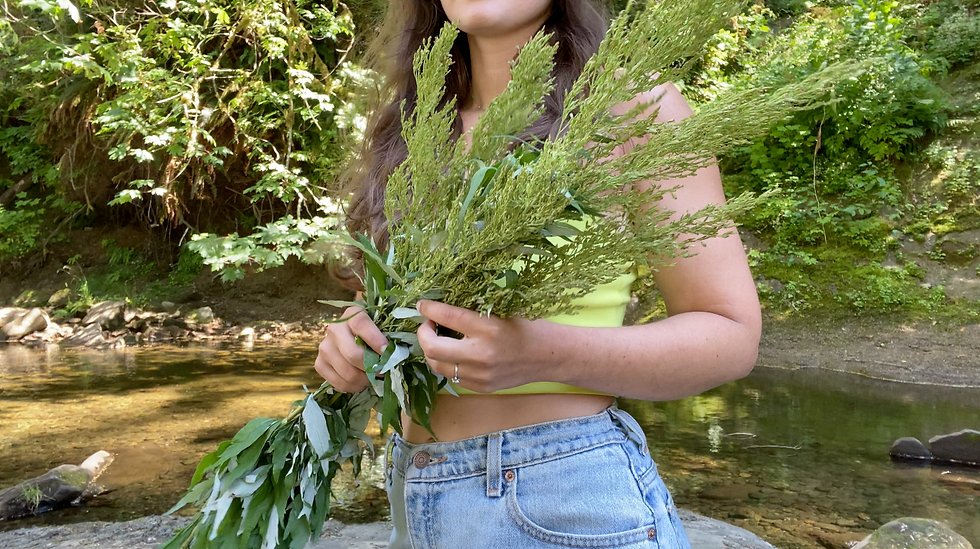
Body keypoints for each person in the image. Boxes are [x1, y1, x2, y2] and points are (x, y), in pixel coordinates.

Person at [314, 0, 762, 547]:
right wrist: (359, 343)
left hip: (565, 499)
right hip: (415, 491)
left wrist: (541, 354)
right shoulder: (413, 119)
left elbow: (730, 335)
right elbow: (397, 311)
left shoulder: (630, 108)